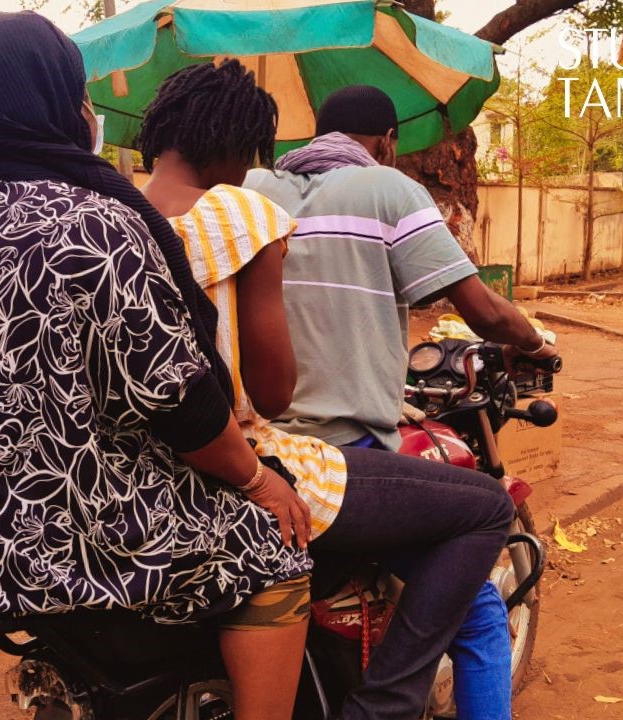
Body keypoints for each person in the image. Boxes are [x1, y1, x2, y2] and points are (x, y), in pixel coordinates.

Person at [0, 14, 315, 720]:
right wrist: (259, 480)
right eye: (76, 95)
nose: (87, 113)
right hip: (56, 539)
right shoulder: (95, 222)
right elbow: (181, 402)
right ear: (54, 105)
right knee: (274, 548)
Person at [138, 59, 514, 720]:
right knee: (483, 514)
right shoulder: (249, 215)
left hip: (147, 473)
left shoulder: (110, 220)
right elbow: (274, 393)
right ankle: (384, 706)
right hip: (272, 458)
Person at [245, 85, 561, 720]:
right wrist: (537, 344)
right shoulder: (389, 189)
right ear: (386, 142)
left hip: (250, 445)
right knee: (477, 601)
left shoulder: (254, 189)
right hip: (337, 458)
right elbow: (481, 310)